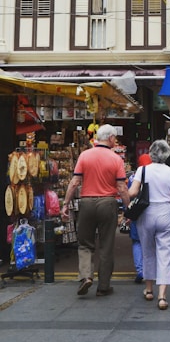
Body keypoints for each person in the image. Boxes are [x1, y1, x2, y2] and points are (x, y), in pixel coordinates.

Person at [61, 124, 130, 297]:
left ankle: (86, 276)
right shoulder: (116, 159)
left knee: (85, 243)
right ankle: (103, 286)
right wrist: (128, 207)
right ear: (111, 138)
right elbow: (121, 187)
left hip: (87, 202)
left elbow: (74, 182)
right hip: (108, 203)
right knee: (106, 245)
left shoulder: (85, 155)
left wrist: (65, 203)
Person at [128, 140, 170, 311]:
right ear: (167, 155)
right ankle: (162, 296)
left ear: (151, 153)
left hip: (147, 213)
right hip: (166, 212)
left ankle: (149, 289)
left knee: (147, 251)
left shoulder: (142, 170)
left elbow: (133, 192)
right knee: (166, 254)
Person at [127, 153, 152, 283]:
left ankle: (140, 270)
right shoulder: (155, 174)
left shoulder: (133, 177)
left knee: (137, 241)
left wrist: (127, 211)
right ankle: (151, 271)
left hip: (137, 211)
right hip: (152, 211)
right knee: (151, 241)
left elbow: (129, 194)